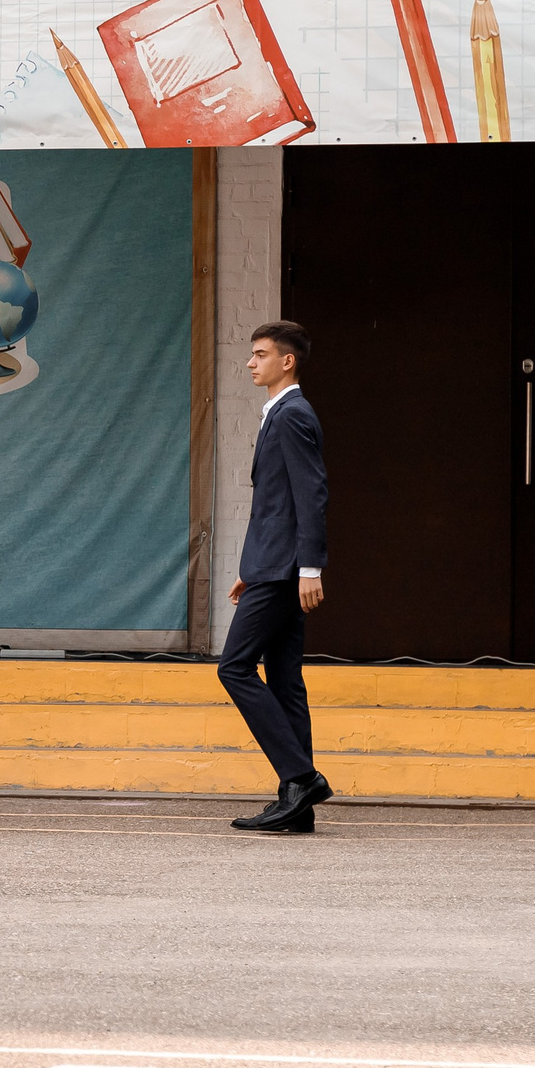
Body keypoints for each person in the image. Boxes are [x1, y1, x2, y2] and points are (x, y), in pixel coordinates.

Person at [220, 320, 333, 835]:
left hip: (287, 569)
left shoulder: (291, 415)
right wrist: (253, 570)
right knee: (286, 681)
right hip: (274, 566)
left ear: (286, 361)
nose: (251, 362)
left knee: (235, 667)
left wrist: (309, 567)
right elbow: (274, 504)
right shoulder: (281, 414)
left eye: (261, 354)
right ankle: (298, 805)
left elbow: (311, 495)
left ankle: (300, 777)